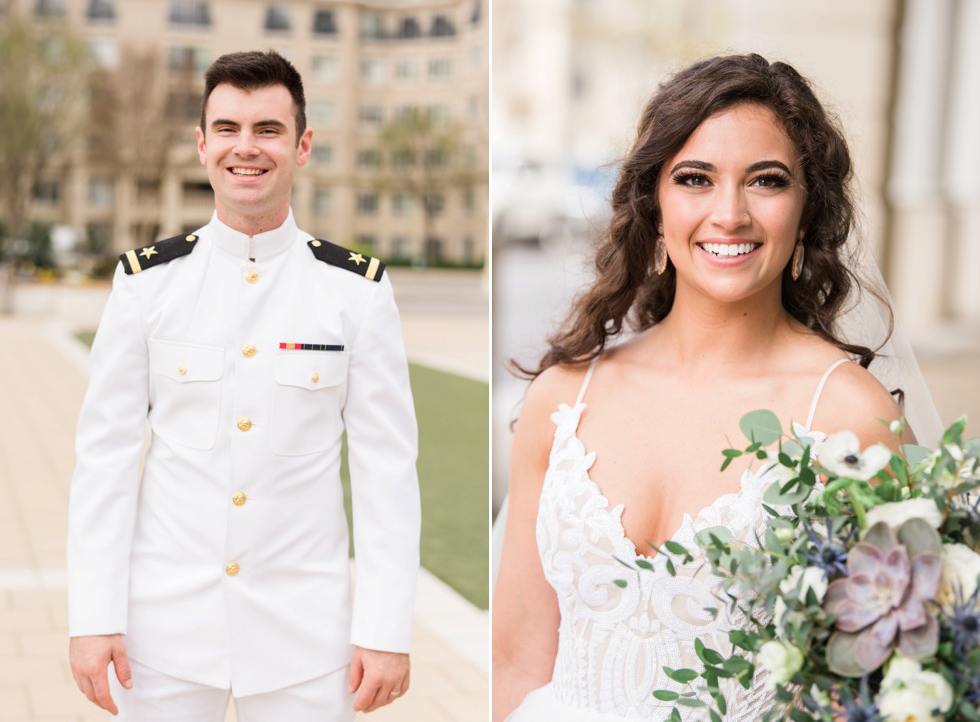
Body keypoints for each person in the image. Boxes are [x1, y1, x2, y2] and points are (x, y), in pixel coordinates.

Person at [492, 53, 938, 721]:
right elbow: (516, 663)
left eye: (766, 180)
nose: (729, 214)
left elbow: (871, 691)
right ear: (655, 205)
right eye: (695, 178)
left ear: (806, 211)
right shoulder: (565, 399)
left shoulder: (852, 419)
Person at [67, 50, 421, 721]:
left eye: (268, 129)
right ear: (202, 146)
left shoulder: (355, 292)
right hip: (161, 630)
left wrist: (385, 630)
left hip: (308, 640)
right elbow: (104, 460)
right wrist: (92, 617)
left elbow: (386, 471)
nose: (245, 148)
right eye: (227, 129)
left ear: (302, 146)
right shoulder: (147, 284)